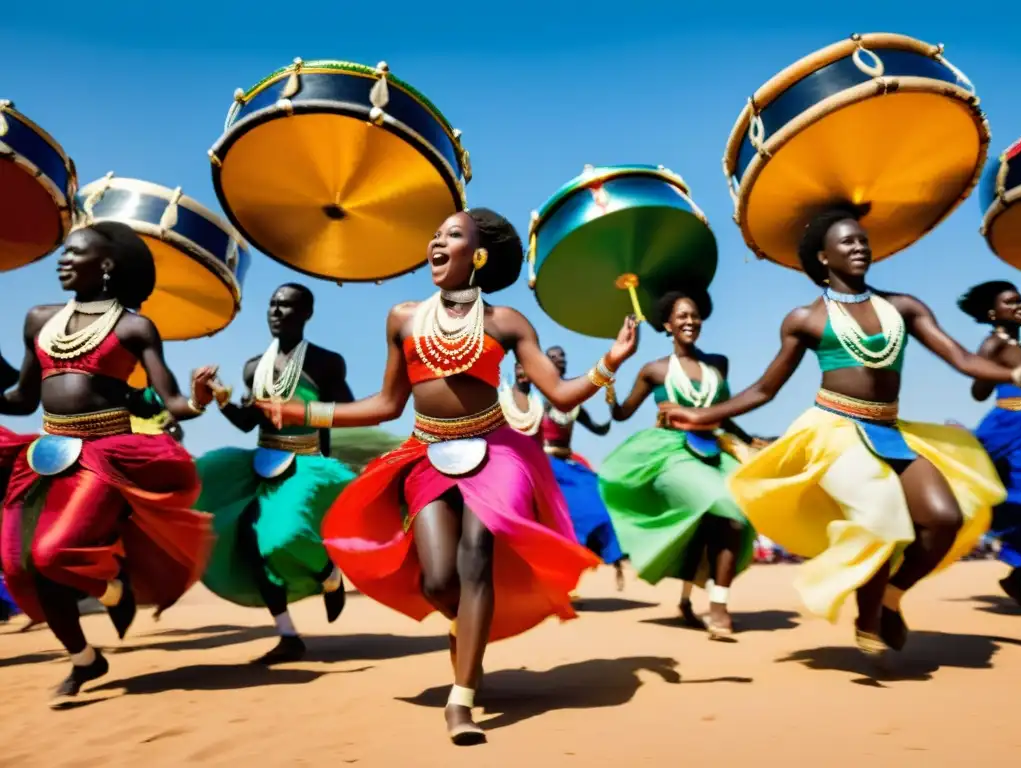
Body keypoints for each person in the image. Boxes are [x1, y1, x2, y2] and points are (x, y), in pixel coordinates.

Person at [256, 208, 638, 744]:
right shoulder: (404, 317)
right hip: (427, 449)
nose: (437, 242)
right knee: (439, 580)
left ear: (478, 255)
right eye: (435, 235)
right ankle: (466, 633)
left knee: (475, 557)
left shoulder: (506, 321)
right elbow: (388, 404)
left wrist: (610, 363)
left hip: (498, 449)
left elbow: (561, 393)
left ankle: (462, 699)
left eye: (453, 236)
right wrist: (305, 414)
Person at [659, 205, 1015, 655]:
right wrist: (702, 417)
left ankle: (891, 597)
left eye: (863, 240)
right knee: (881, 520)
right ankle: (867, 619)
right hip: (836, 430)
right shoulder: (805, 319)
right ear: (823, 258)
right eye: (847, 241)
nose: (860, 247)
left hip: (891, 427)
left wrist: (1016, 377)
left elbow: (964, 360)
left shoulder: (903, 307)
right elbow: (765, 389)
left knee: (943, 518)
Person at [0, 222, 216, 704]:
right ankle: (84, 659)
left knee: (52, 555)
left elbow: (173, 401)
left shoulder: (134, 327)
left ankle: (114, 582)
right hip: (44, 453)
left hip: (105, 455)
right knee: (18, 567)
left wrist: (199, 400)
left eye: (75, 253)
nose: (63, 259)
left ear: (107, 266)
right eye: (63, 252)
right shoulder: (39, 319)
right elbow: (21, 397)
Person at [193, 284, 355, 663]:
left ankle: (328, 571)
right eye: (272, 303)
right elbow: (248, 423)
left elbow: (347, 410)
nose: (276, 311)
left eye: (286, 305)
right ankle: (287, 634)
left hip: (308, 464)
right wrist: (220, 401)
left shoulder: (325, 362)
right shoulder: (254, 367)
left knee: (284, 537)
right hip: (263, 464)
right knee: (249, 545)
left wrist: (301, 412)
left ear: (306, 315)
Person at [599, 289, 758, 637]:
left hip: (717, 448)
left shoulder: (718, 363)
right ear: (667, 325)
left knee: (737, 513)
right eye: (682, 316)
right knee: (721, 503)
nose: (690, 321)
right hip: (672, 451)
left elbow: (723, 414)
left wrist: (750, 440)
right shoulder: (653, 370)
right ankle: (716, 609)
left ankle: (704, 601)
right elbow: (622, 414)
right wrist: (611, 371)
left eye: (695, 315)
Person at [957, 280, 1021, 605]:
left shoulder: (1019, 343)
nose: (1018, 305)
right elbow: (978, 391)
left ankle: (1017, 578)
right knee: (1016, 499)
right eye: (1010, 302)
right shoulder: (992, 344)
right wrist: (1008, 374)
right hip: (1010, 424)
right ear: (993, 312)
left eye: (1020, 300)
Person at [542, 345, 626, 589]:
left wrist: (612, 403)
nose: (560, 360)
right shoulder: (536, 399)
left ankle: (574, 571)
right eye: (554, 357)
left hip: (567, 466)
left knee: (599, 502)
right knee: (561, 519)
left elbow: (600, 429)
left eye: (563, 356)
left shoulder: (574, 402)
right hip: (543, 466)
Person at [497, 361, 544, 443]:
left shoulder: (538, 406)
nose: (523, 372)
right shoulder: (502, 399)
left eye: (528, 369)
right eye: (520, 368)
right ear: (515, 369)